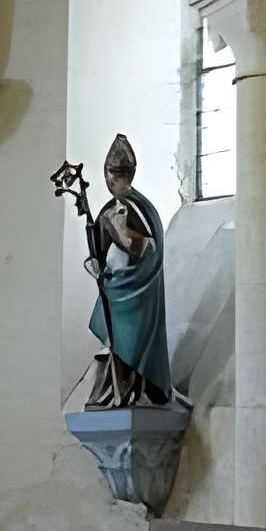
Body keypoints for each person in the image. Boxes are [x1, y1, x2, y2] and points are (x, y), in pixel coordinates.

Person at [84, 133, 174, 408]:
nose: (113, 180)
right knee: (117, 342)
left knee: (125, 340)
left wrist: (121, 232)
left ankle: (130, 391)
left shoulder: (127, 209)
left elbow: (147, 250)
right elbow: (98, 252)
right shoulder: (129, 208)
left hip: (132, 293)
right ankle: (121, 391)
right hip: (123, 288)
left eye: (116, 174)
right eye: (113, 173)